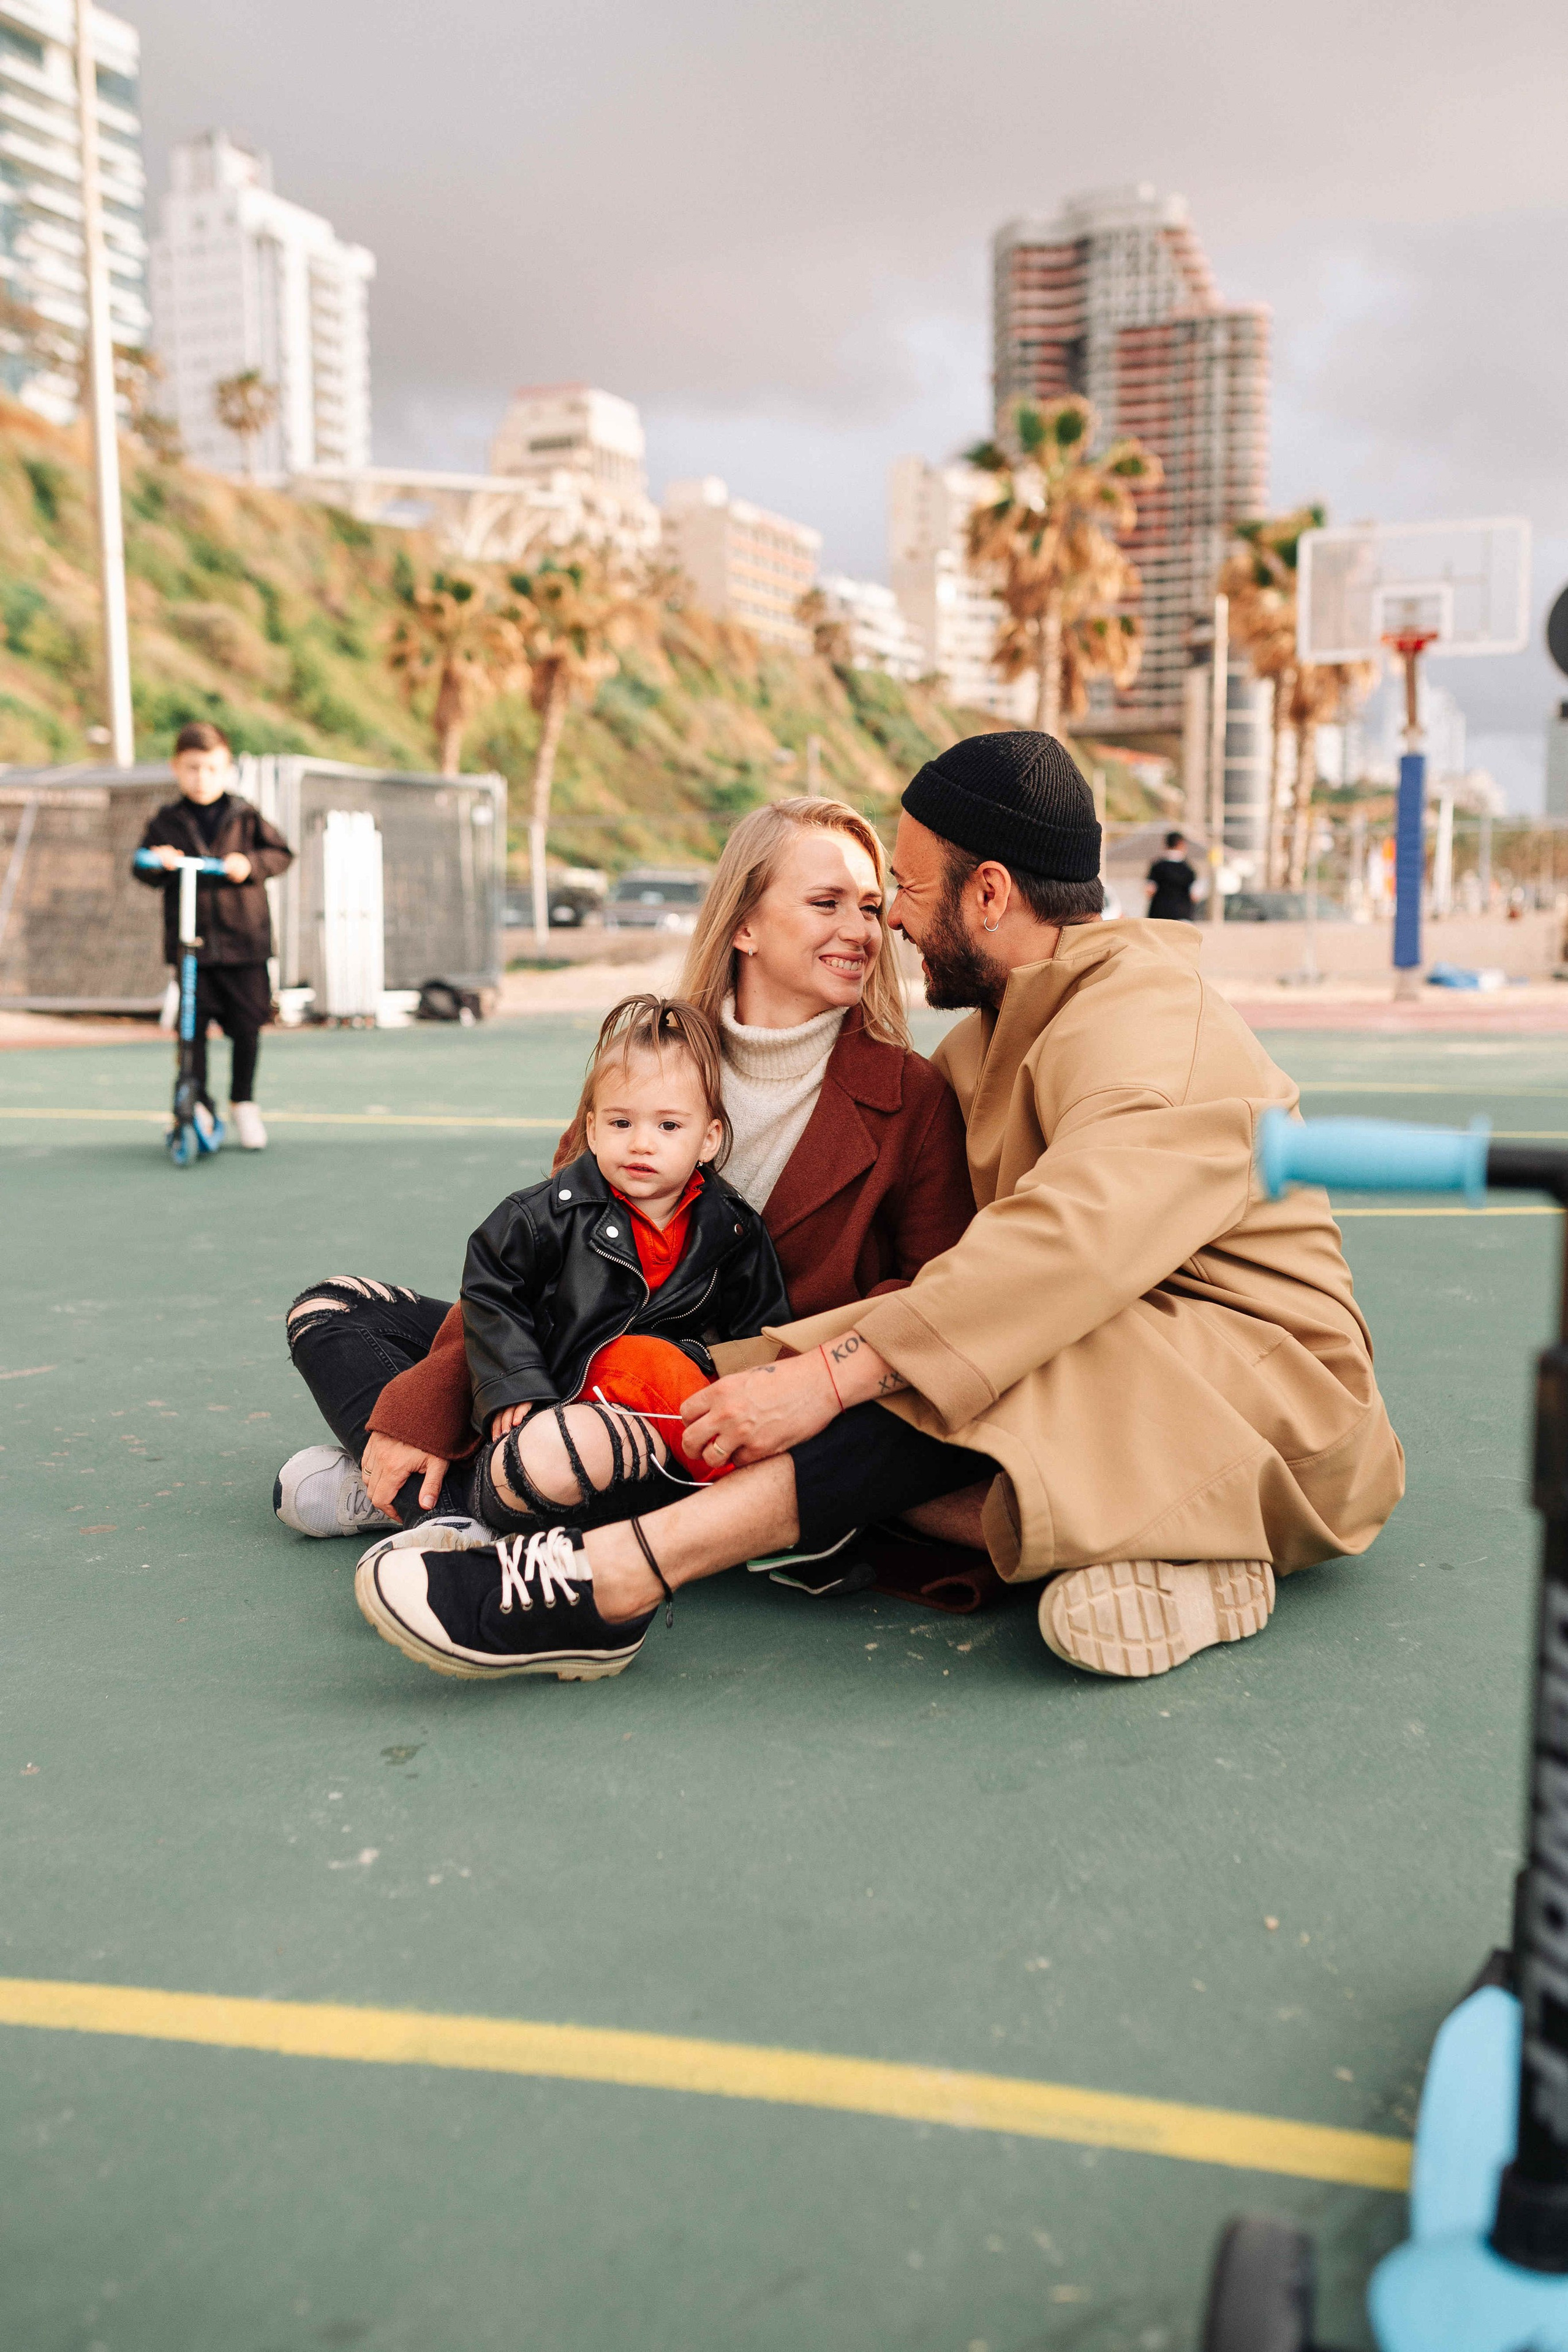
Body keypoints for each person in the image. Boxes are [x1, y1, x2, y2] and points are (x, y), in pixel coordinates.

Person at [351, 731, 1404, 1687]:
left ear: (988, 894)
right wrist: (719, 1380)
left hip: (1271, 1404)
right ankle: (1163, 1549)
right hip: (1116, 1379)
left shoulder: (1152, 1025)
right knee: (802, 1372)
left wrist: (825, 1376)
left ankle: (614, 1578)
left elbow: (1059, 1256)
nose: (890, 917)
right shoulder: (986, 1042)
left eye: (902, 887)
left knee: (958, 1357)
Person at [276, 797, 978, 1580]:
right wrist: (426, 1416)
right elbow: (538, 1257)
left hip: (717, 1406)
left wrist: (784, 1377)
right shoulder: (652, 1054)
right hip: (574, 1361)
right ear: (743, 925)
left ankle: (445, 1500)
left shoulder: (911, 1097)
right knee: (332, 1310)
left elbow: (931, 1295)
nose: (861, 930)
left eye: (872, 907)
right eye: (826, 903)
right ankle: (462, 1507)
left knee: (574, 1436)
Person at [132, 722, 293, 1151]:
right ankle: (197, 1101)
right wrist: (158, 862)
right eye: (193, 768)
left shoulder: (245, 815)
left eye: (211, 768)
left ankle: (244, 1102)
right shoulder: (167, 822)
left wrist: (250, 864)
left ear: (227, 769)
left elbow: (281, 854)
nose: (202, 777)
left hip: (245, 945)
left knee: (247, 1027)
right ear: (177, 769)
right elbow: (141, 867)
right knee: (192, 1031)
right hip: (192, 950)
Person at [1145, 831, 1198, 922]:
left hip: (1159, 915)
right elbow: (1194, 895)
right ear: (1182, 844)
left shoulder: (1157, 866)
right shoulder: (1188, 869)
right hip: (1182, 915)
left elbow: (1150, 890)